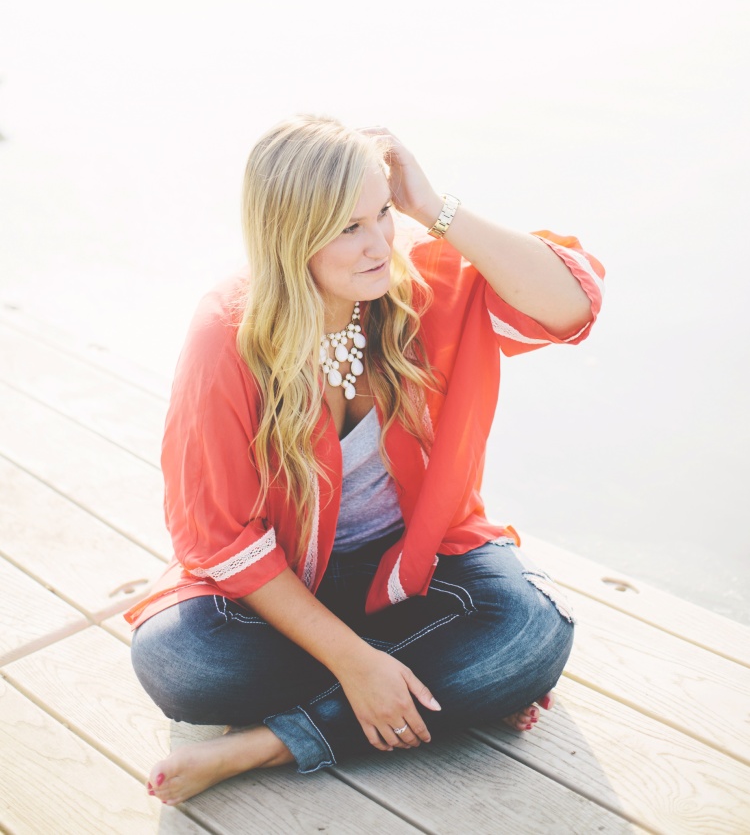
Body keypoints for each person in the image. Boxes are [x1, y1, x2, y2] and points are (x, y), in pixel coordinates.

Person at [126, 115, 604, 807]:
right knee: (179, 662)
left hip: (415, 570)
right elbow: (221, 540)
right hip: (284, 587)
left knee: (533, 630)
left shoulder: (420, 278)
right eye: (349, 228)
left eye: (382, 213)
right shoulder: (227, 330)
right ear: (292, 235)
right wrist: (354, 661)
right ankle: (441, 682)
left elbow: (571, 306)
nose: (380, 243)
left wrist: (431, 207)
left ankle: (273, 743)